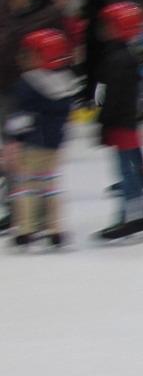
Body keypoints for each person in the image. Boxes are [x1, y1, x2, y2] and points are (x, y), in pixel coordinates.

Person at [0, 0, 66, 235]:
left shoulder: (50, 12)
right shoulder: (2, 5)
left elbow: (62, 51)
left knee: (30, 154)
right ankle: (17, 208)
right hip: (3, 86)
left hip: (34, 91)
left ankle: (32, 215)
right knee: (10, 154)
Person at [7, 29, 76, 249]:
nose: (23, 58)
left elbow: (21, 117)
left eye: (29, 54)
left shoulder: (27, 84)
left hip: (31, 144)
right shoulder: (65, 82)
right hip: (54, 145)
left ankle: (26, 229)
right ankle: (54, 228)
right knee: (50, 185)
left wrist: (13, 137)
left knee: (26, 186)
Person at [96, 2, 143, 242]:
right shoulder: (124, 55)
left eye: (109, 24)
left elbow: (112, 95)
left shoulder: (118, 58)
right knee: (133, 168)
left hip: (121, 123)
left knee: (127, 171)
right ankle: (141, 215)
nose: (104, 28)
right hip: (127, 122)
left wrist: (104, 121)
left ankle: (132, 218)